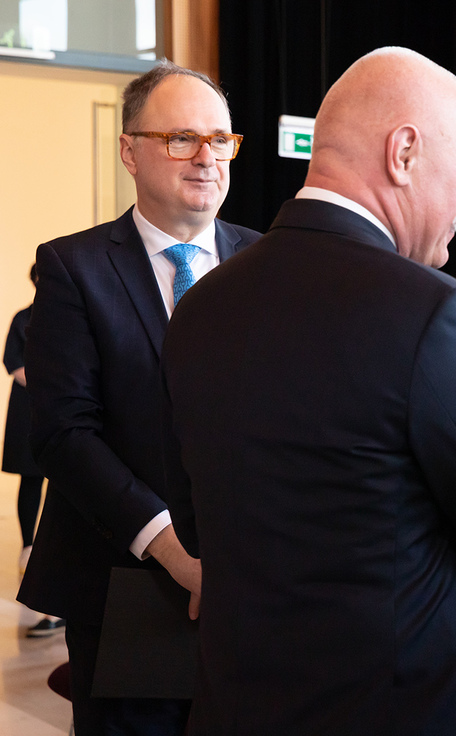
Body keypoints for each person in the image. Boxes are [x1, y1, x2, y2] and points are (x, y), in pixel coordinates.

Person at [159, 47, 456, 736]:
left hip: (238, 703)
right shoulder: (435, 314)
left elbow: (197, 524)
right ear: (404, 153)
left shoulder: (200, 306)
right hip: (403, 706)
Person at [18, 60, 260, 735]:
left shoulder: (266, 263)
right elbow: (66, 434)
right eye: (181, 137)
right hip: (125, 579)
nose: (206, 158)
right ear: (129, 149)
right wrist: (174, 551)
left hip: (256, 587)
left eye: (221, 139)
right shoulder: (75, 268)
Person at [3, 264, 63, 637]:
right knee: (30, 479)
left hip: (60, 407)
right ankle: (28, 545)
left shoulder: (65, 314)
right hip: (29, 406)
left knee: (64, 482)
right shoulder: (22, 318)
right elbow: (13, 362)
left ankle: (49, 558)